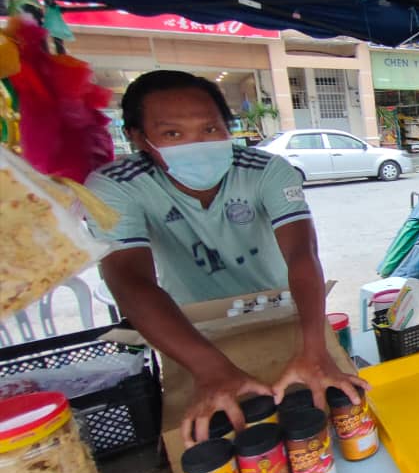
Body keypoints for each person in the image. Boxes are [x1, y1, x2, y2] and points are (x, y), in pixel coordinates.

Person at [85, 70, 367, 445]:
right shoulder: (115, 186)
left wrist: (313, 347)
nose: (195, 144)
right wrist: (210, 368)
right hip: (188, 332)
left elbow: (302, 254)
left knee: (325, 428)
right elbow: (129, 280)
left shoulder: (266, 169)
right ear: (138, 137)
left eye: (210, 129)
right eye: (172, 134)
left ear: (227, 127)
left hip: (287, 314)